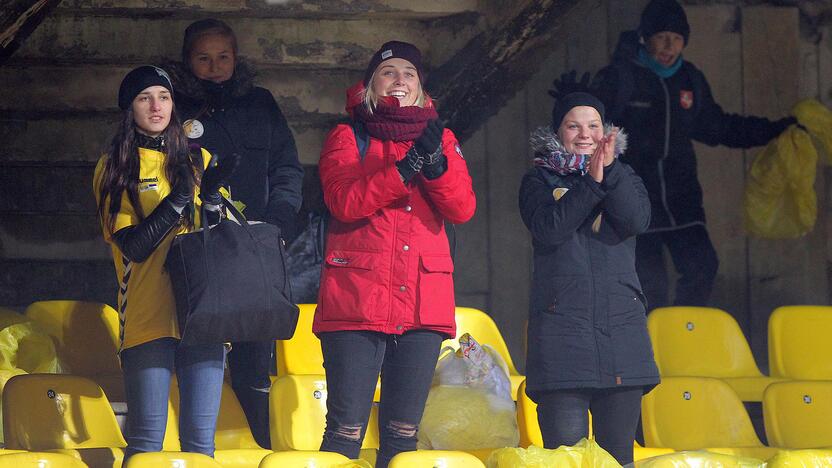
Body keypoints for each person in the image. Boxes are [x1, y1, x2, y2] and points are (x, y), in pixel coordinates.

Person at [552, 0, 798, 309]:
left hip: (683, 202)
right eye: (662, 36)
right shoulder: (622, 77)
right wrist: (571, 104)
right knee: (648, 285)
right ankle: (651, 352)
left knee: (703, 268)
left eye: (678, 38)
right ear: (646, 37)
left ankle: (684, 338)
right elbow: (584, 133)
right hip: (635, 202)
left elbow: (718, 127)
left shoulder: (690, 79)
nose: (670, 45)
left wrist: (775, 131)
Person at [314, 41, 476, 467]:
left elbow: (463, 208)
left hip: (423, 300)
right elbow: (343, 201)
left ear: (421, 87)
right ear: (370, 86)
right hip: (356, 298)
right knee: (345, 431)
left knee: (404, 435)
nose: (400, 79)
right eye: (389, 72)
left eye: (409, 72)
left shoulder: (443, 139)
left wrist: (436, 168)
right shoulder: (347, 135)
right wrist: (403, 171)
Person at [164, 18, 304, 448]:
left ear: (236, 58)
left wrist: (278, 222)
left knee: (253, 361)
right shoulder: (173, 107)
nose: (214, 66)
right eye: (204, 58)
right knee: (195, 357)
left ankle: (259, 449)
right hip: (194, 247)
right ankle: (197, 451)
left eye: (223, 57)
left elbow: (286, 167)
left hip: (253, 248)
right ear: (188, 61)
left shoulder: (260, 103)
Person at [93, 65, 237, 460]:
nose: (156, 106)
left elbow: (223, 242)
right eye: (144, 98)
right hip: (148, 313)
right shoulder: (117, 164)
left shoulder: (199, 157)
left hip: (203, 314)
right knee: (145, 441)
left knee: (200, 445)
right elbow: (134, 247)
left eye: (164, 97)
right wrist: (176, 202)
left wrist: (211, 202)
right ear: (130, 109)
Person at [518, 92, 659, 465]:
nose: (585, 134)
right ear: (557, 132)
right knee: (567, 459)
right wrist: (591, 184)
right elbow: (549, 229)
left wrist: (608, 174)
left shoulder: (625, 176)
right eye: (573, 126)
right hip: (562, 340)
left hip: (622, 337)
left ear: (607, 132)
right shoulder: (538, 181)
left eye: (593, 126)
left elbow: (635, 221)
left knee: (619, 459)